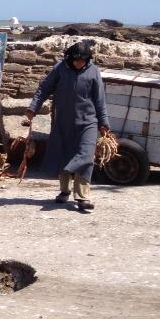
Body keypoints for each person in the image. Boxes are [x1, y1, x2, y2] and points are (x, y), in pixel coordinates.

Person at [24, 40, 109, 212]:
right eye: (76, 60)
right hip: (63, 121)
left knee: (86, 155)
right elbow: (44, 89)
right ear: (70, 58)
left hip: (88, 122)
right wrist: (33, 107)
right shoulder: (60, 68)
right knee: (63, 153)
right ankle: (64, 191)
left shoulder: (94, 72)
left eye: (83, 60)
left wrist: (103, 122)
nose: (79, 63)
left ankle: (83, 197)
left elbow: (100, 100)